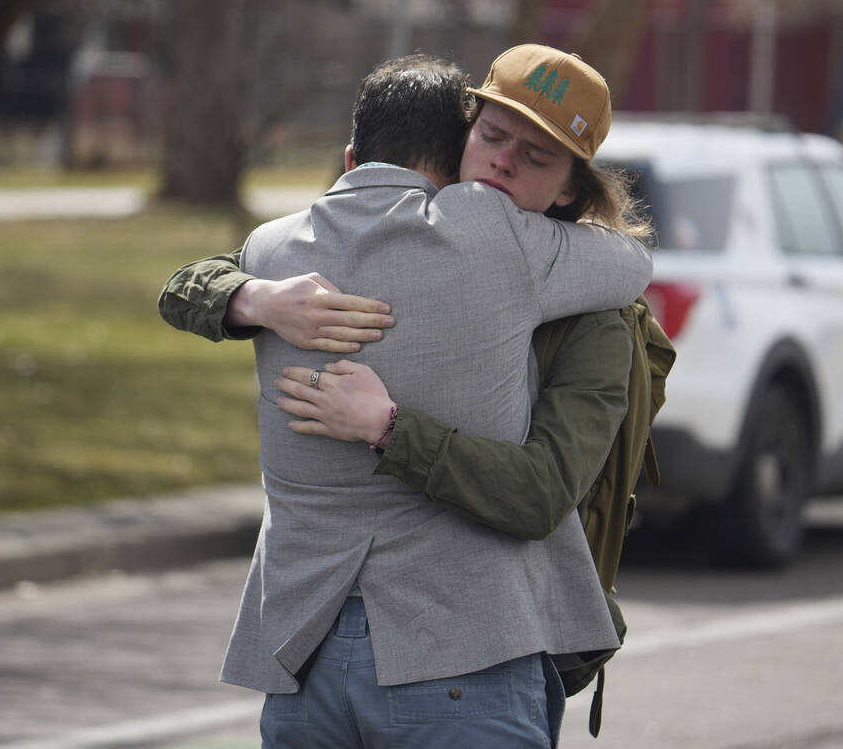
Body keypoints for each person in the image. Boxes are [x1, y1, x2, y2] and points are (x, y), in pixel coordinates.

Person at [160, 49, 654, 748]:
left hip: (369, 652)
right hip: (426, 659)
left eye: (537, 157)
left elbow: (542, 491)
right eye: (491, 137)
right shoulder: (469, 236)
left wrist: (389, 427)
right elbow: (635, 258)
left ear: (573, 189)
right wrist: (252, 298)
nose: (504, 164)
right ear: (457, 144)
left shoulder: (279, 246)